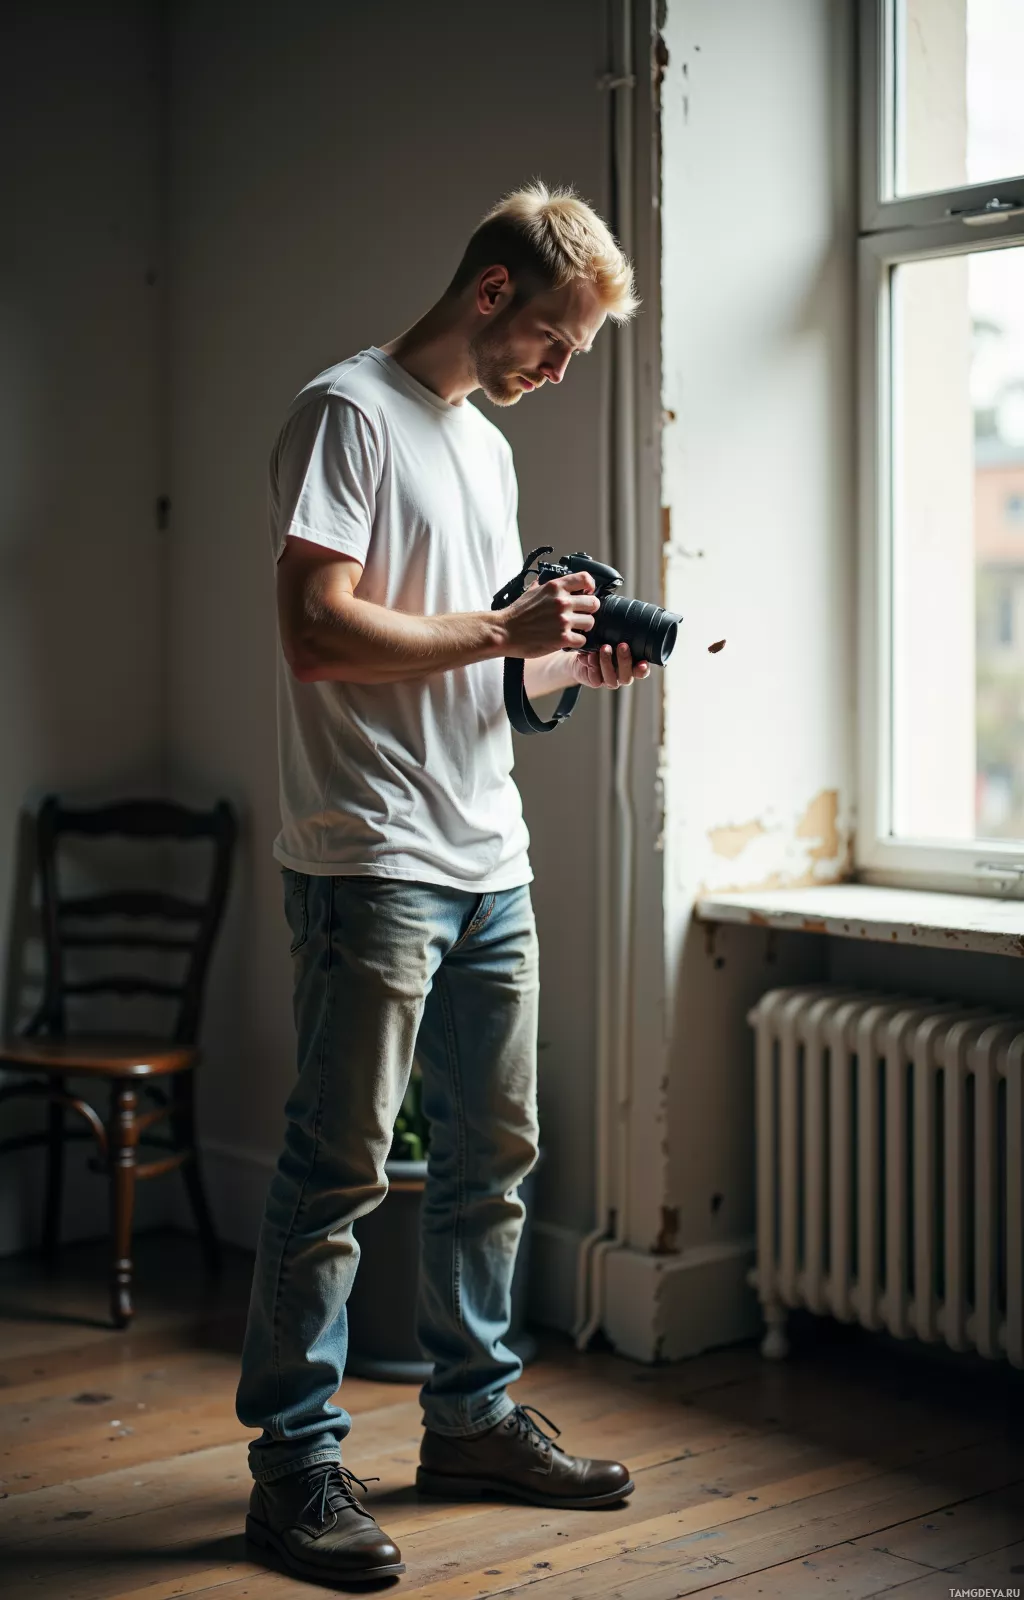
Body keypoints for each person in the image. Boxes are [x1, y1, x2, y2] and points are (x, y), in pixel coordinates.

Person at [236, 181, 649, 1586]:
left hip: (488, 853)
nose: (560, 365)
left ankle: (469, 1420)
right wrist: (500, 626)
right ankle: (294, 1467)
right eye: (557, 337)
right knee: (338, 1169)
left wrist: (556, 668)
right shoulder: (346, 414)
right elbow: (316, 631)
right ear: (491, 293)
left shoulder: (481, 447)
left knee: (495, 1161)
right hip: (372, 859)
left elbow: (470, 665)